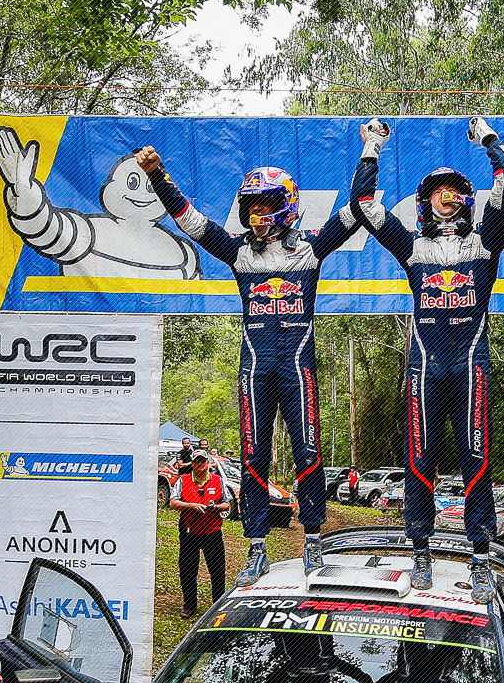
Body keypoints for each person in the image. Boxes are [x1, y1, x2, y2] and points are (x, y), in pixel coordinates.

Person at [136, 144, 365, 585]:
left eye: (265, 204)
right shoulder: (240, 252)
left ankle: (312, 541)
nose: (257, 213)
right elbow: (191, 222)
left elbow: (355, 210)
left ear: (286, 205)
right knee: (253, 456)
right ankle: (257, 548)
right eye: (251, 206)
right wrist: (158, 175)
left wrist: (370, 150)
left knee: (308, 452)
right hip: (255, 370)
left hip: (298, 368)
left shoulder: (310, 249)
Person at [351, 116, 504, 603]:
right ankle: (420, 550)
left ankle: (481, 557)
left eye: (455, 192)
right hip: (425, 367)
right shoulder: (413, 247)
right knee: (419, 460)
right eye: (437, 193)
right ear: (424, 203)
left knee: (476, 461)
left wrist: (487, 138)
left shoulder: (485, 241)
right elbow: (364, 204)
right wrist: (372, 146)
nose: (447, 198)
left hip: (471, 364)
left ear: (467, 200)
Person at [173, 451, 228, 617]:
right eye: (197, 461)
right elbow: (173, 502)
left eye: (203, 460)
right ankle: (189, 605)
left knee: (217, 570)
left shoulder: (218, 480)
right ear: (192, 463)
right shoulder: (183, 480)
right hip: (189, 531)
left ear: (208, 462)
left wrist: (216, 507)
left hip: (212, 532)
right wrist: (192, 506)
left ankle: (217, 605)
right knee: (188, 569)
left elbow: (227, 504)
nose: (200, 464)